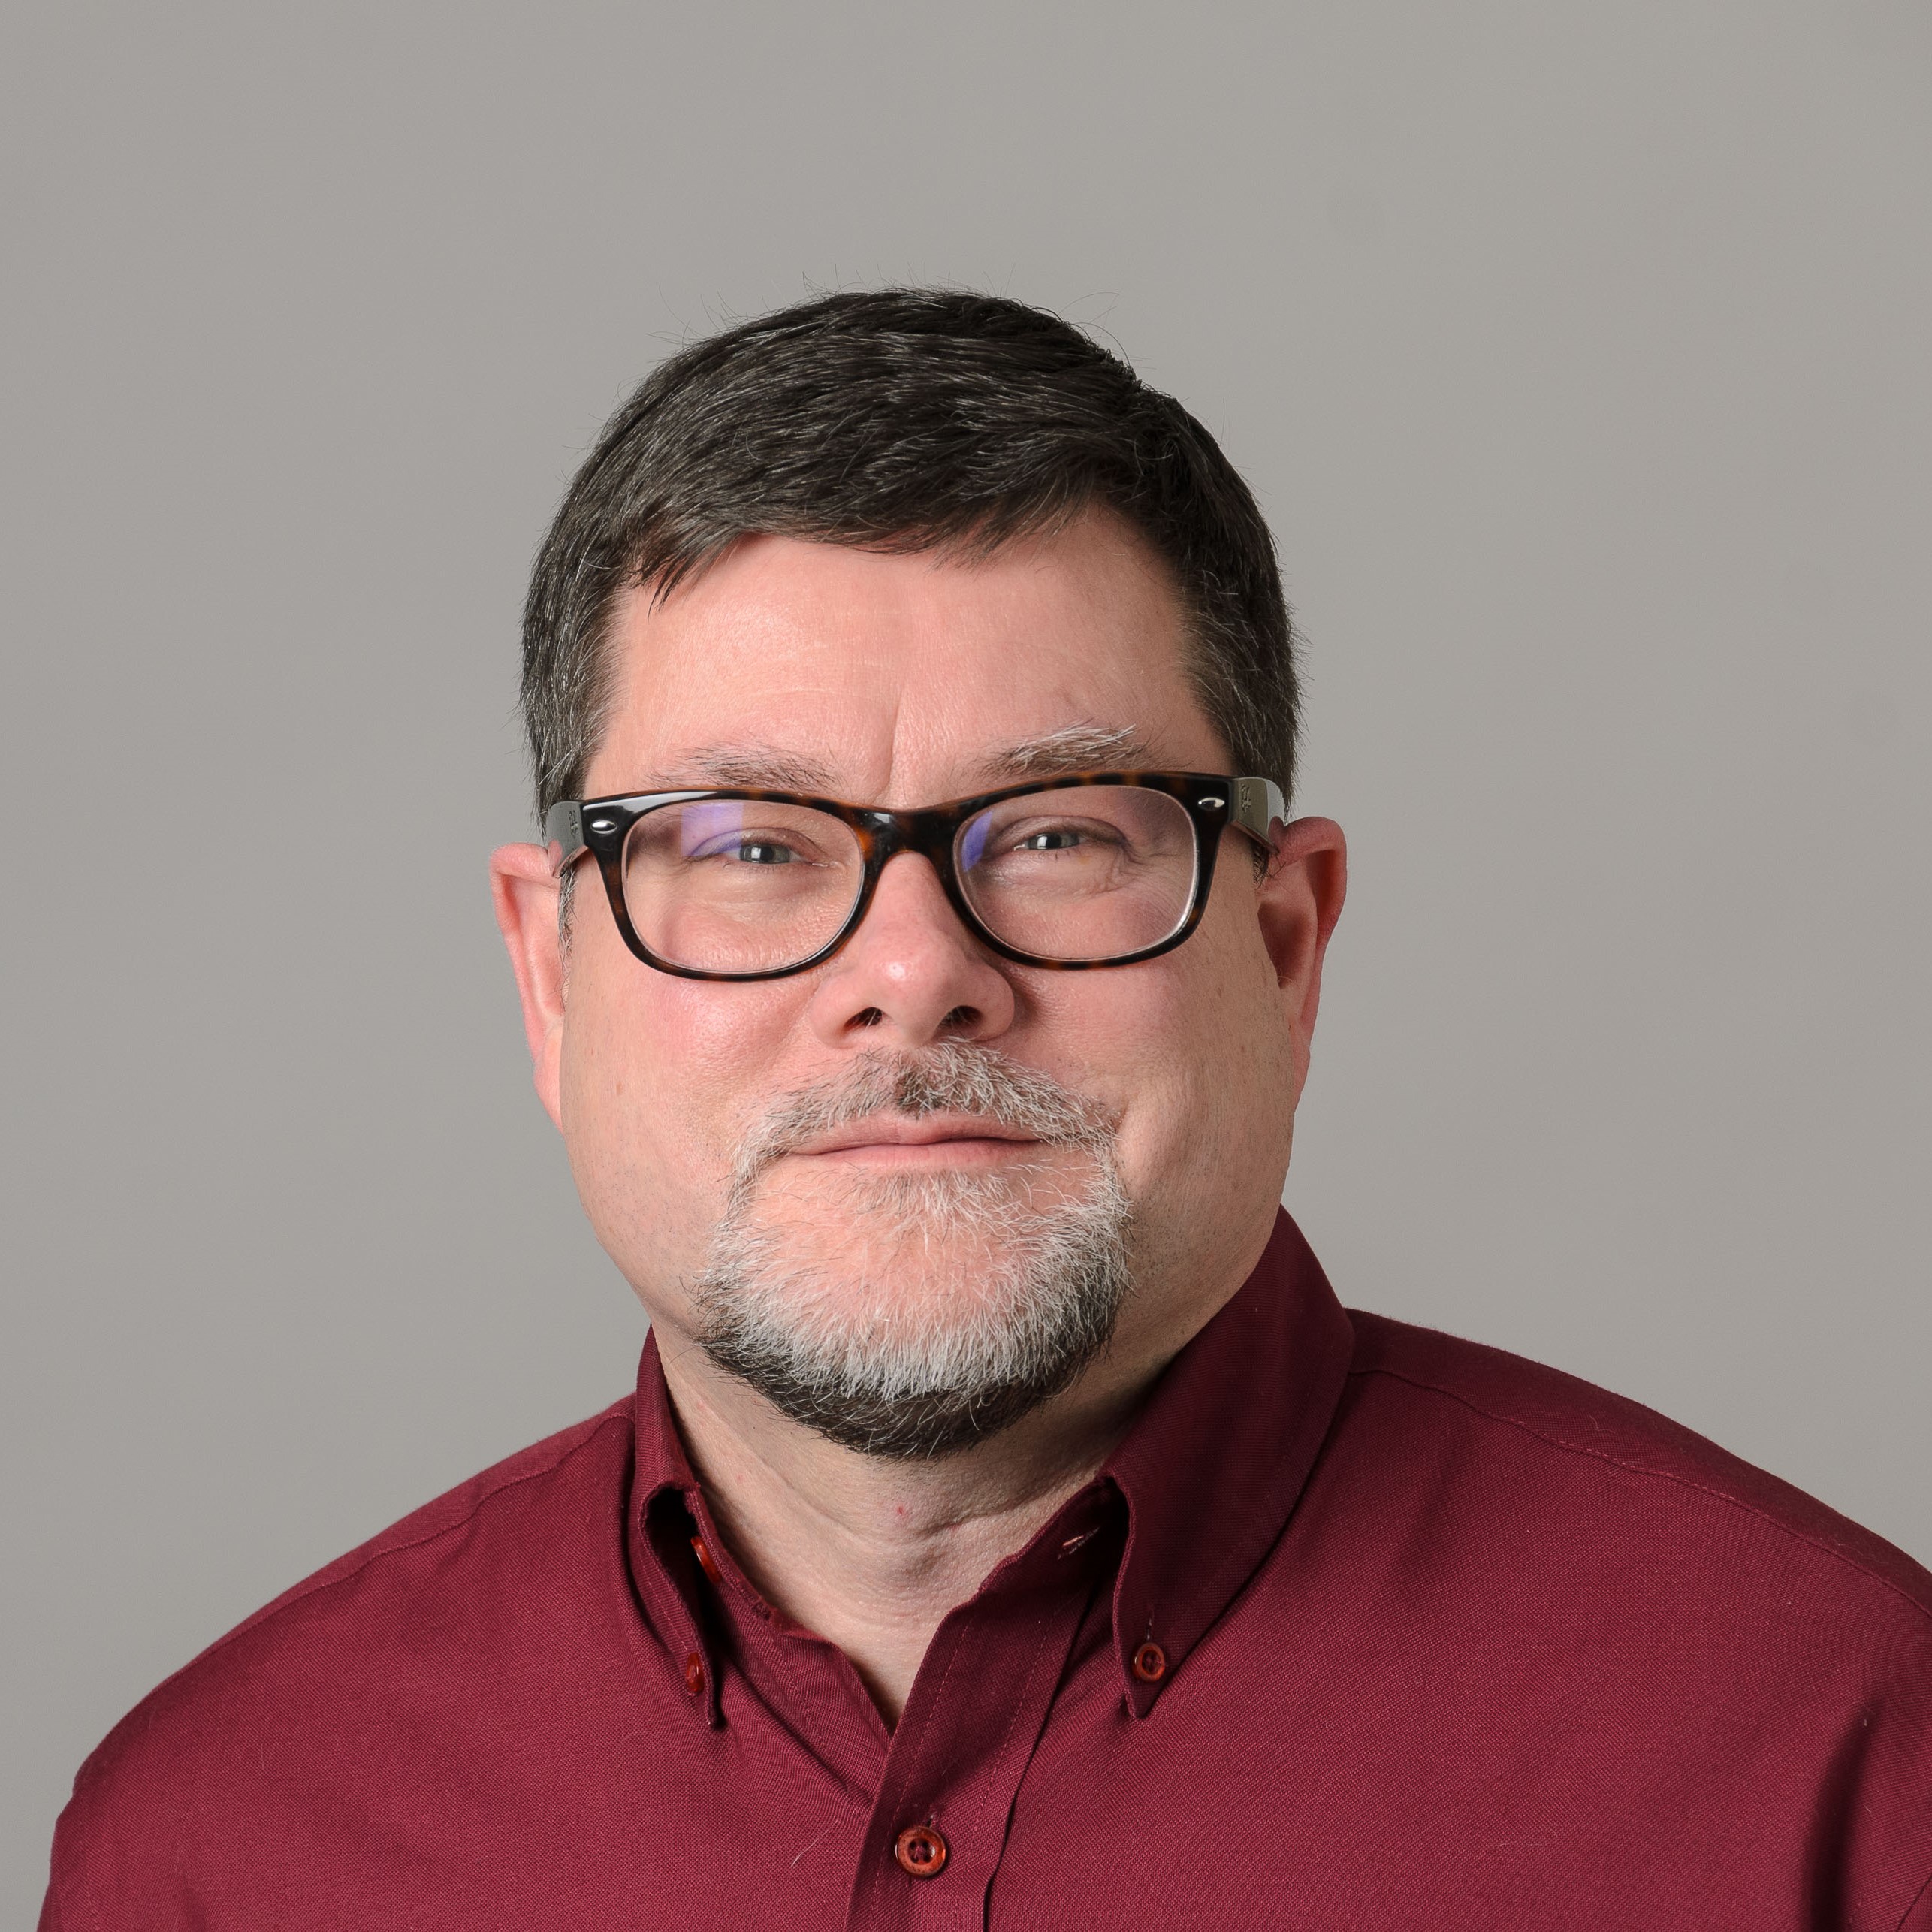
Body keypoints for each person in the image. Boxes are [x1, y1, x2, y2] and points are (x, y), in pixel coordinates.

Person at [41, 290, 1932, 1930]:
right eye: (748, 844)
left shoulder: (1837, 1759)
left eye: (1055, 834)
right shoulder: (215, 1843)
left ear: (1282, 946)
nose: (912, 966)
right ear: (550, 974)